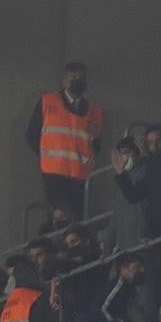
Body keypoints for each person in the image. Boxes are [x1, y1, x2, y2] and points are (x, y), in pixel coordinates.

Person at [25, 62, 102, 218]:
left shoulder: (95, 111)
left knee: (77, 222)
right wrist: (48, 157)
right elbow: (31, 135)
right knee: (57, 219)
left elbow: (96, 143)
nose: (76, 81)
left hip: (80, 176)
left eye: (80, 78)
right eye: (72, 77)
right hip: (54, 173)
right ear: (64, 81)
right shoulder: (48, 101)